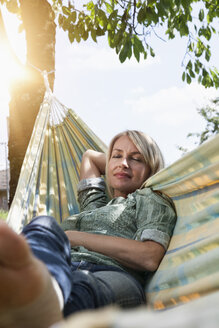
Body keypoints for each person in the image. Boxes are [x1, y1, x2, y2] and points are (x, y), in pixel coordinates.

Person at [0, 130, 176, 328]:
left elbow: (150, 256)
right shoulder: (95, 206)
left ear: (151, 167)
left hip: (112, 273)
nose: (123, 163)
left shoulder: (150, 198)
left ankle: (45, 298)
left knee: (82, 284)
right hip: (62, 266)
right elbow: (89, 157)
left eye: (136, 159)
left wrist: (74, 237)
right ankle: (38, 286)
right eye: (116, 156)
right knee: (45, 224)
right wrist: (118, 163)